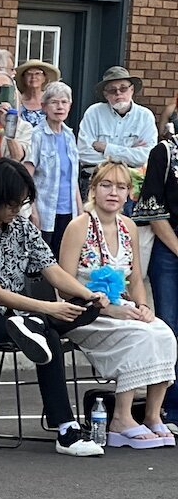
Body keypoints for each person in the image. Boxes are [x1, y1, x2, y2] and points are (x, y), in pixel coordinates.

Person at [0, 159, 107, 456]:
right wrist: (50, 308)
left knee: (84, 308)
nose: (17, 209)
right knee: (46, 333)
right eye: (12, 203)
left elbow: (52, 270)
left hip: (15, 315)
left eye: (22, 203)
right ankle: (66, 430)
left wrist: (88, 294)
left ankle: (33, 325)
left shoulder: (22, 228)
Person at [57, 162, 176, 447]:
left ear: (128, 194)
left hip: (120, 308)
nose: (113, 192)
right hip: (84, 312)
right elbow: (63, 285)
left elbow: (135, 279)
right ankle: (121, 418)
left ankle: (152, 415)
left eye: (121, 187)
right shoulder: (79, 226)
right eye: (106, 185)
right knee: (139, 336)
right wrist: (108, 309)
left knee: (164, 332)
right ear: (93, 189)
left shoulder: (129, 226)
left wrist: (143, 306)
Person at [132, 128, 178, 427]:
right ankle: (170, 409)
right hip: (168, 248)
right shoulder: (164, 152)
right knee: (170, 328)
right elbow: (153, 211)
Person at [77, 67, 156, 198]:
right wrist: (128, 155)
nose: (118, 93)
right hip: (94, 181)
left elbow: (146, 156)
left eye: (123, 88)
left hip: (130, 185)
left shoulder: (145, 116)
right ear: (105, 94)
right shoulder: (93, 113)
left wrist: (107, 148)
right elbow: (84, 153)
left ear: (132, 90)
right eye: (112, 90)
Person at [23, 81, 81, 257]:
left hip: (69, 213)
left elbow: (73, 180)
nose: (59, 107)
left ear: (70, 106)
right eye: (54, 102)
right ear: (44, 107)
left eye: (64, 102)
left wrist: (81, 212)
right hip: (45, 212)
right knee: (43, 261)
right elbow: (26, 178)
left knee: (66, 259)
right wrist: (33, 211)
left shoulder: (70, 136)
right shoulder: (37, 135)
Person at [13, 57, 59, 135]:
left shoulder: (50, 100)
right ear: (23, 78)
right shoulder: (17, 100)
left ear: (44, 78)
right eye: (29, 74)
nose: (33, 77)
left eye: (38, 73)